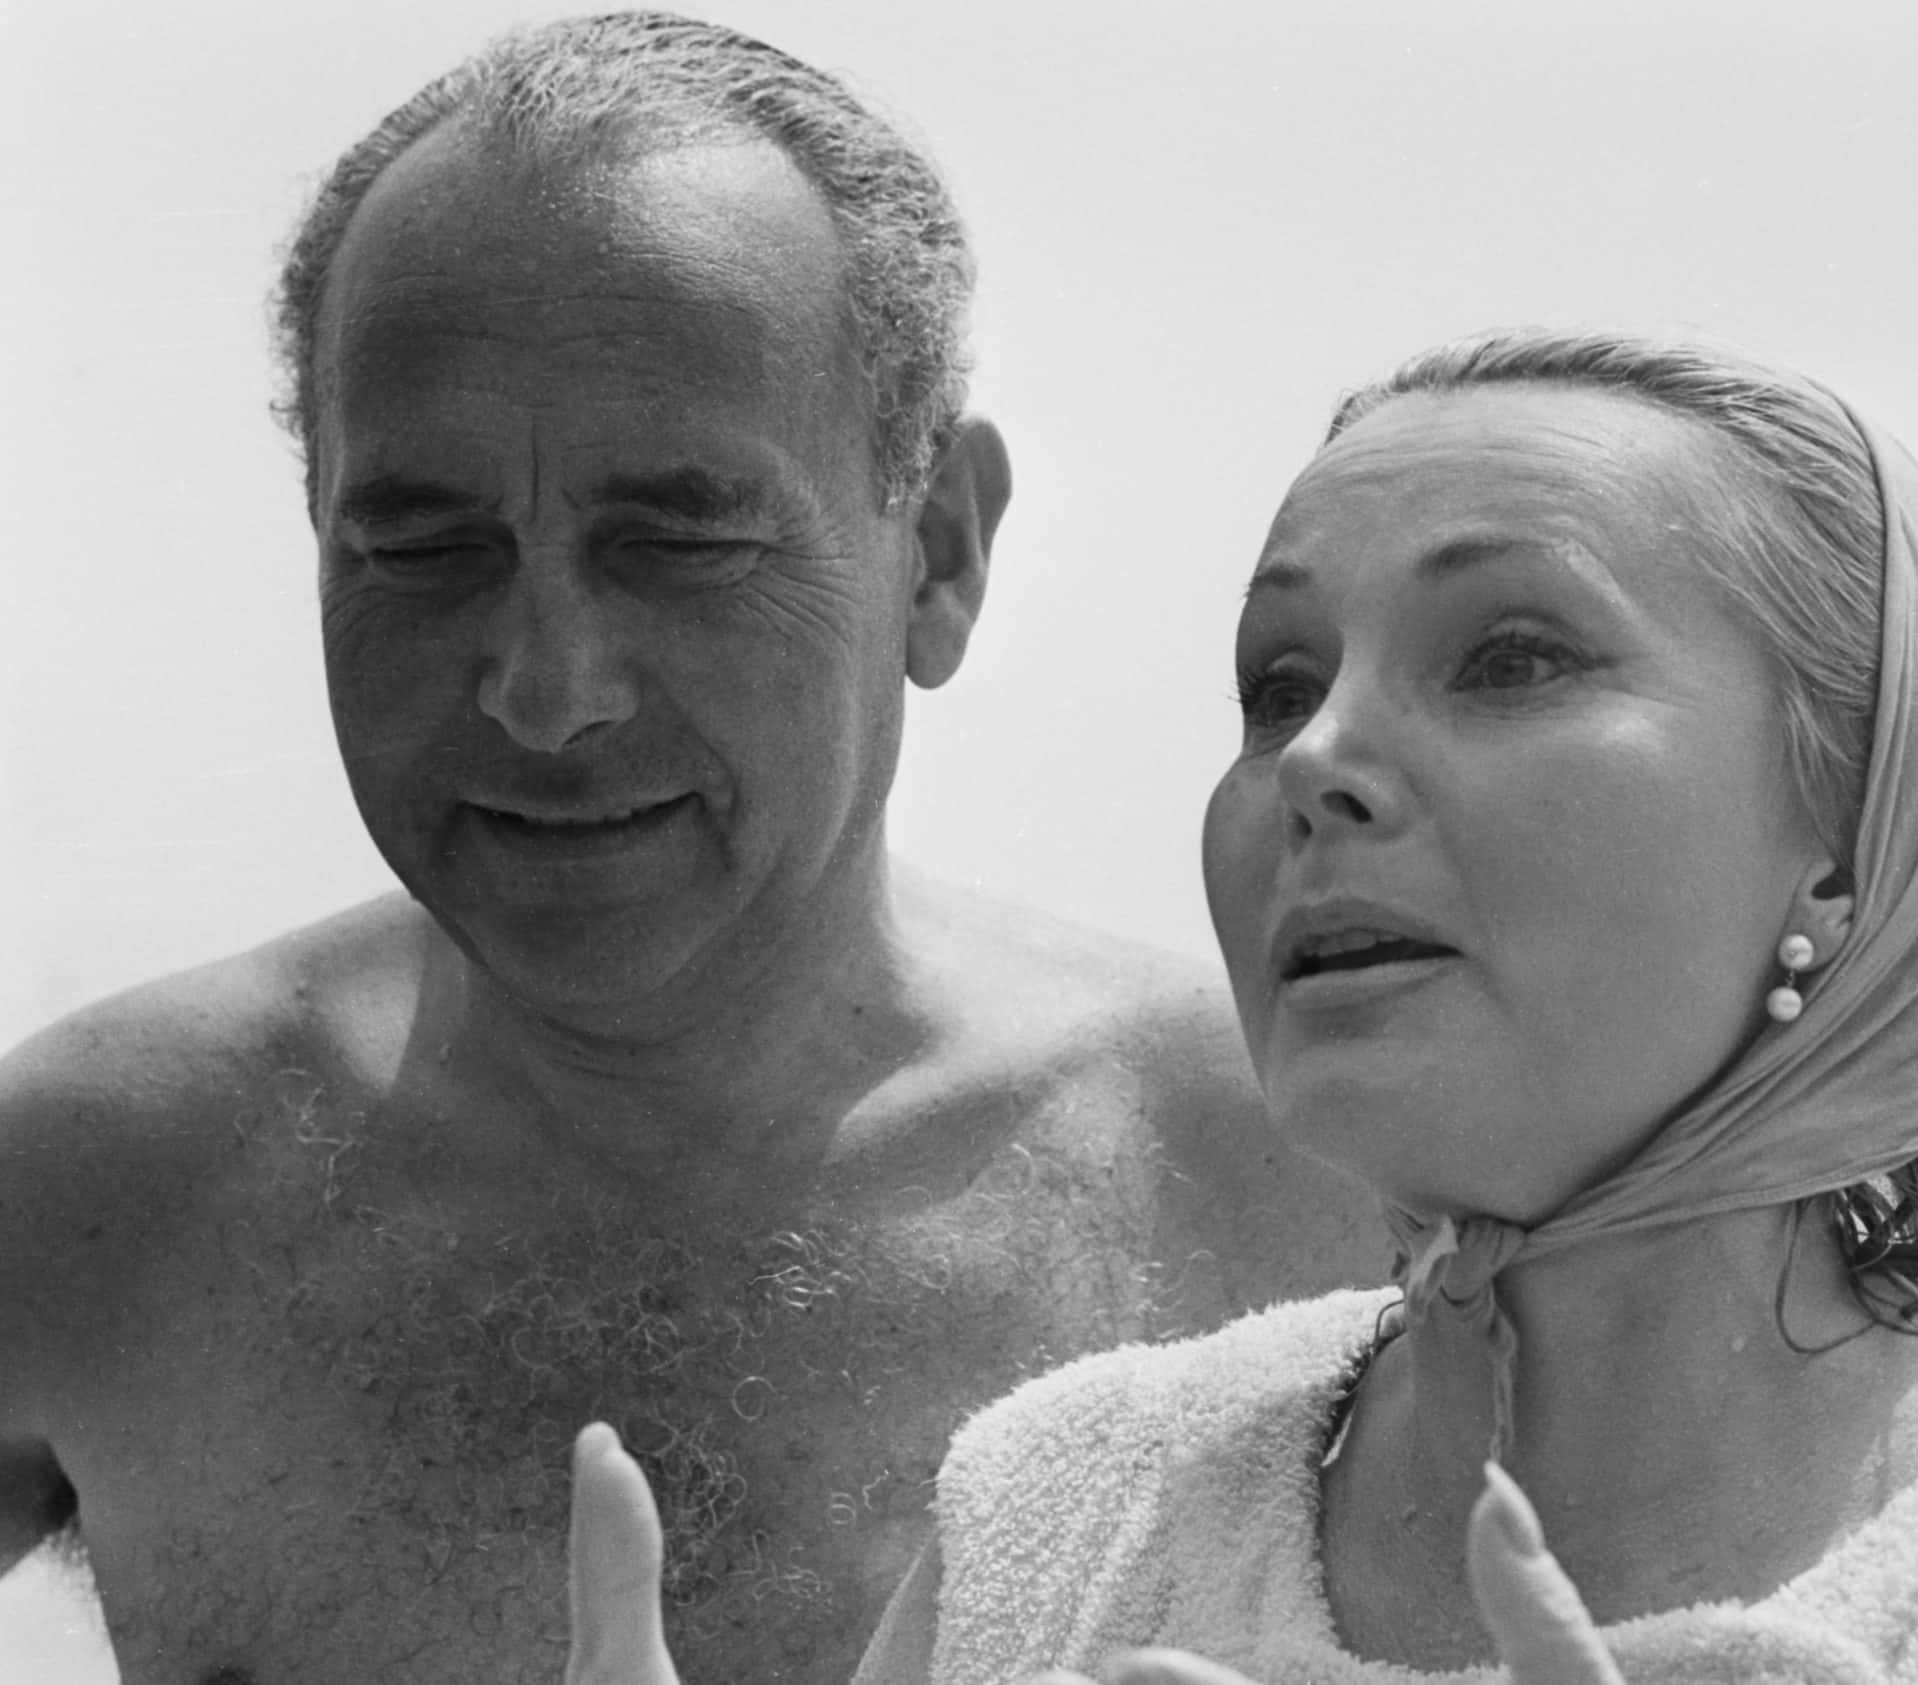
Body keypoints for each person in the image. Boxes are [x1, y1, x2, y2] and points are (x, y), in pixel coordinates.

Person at [563, 329, 1918, 1682]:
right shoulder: (1062, 1509)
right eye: (1271, 684)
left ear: (1849, 833)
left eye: (1506, 654)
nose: (1314, 758)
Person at [0, 13, 1372, 1683]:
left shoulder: (1318, 1199)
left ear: (936, 553)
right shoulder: (98, 1190)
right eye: (424, 548)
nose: (546, 686)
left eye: (677, 541)